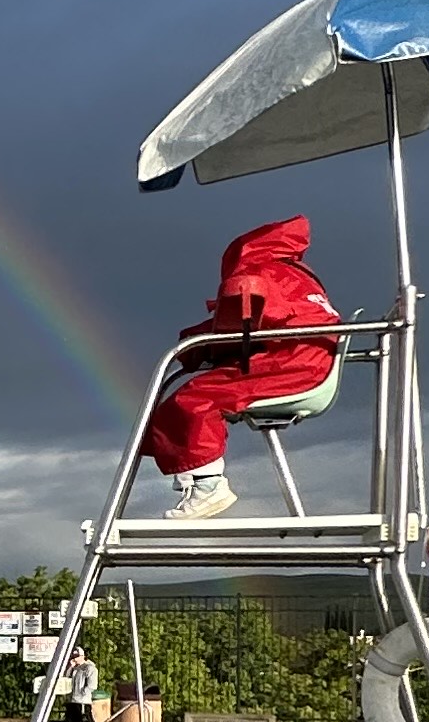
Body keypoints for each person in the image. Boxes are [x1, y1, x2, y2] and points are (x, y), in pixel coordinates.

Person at [143, 215, 342, 520]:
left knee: (194, 400)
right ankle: (196, 478)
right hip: (307, 362)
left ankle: (207, 486)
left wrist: (194, 342)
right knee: (199, 394)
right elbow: (263, 320)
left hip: (291, 366)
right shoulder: (298, 275)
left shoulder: (262, 270)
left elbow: (241, 317)